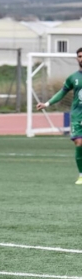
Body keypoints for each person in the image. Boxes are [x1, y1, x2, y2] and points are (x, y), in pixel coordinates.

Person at [36, 47, 82, 185]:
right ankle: (81, 175)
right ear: (77, 59)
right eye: (80, 56)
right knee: (79, 143)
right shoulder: (73, 78)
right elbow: (62, 92)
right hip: (77, 116)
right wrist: (47, 103)